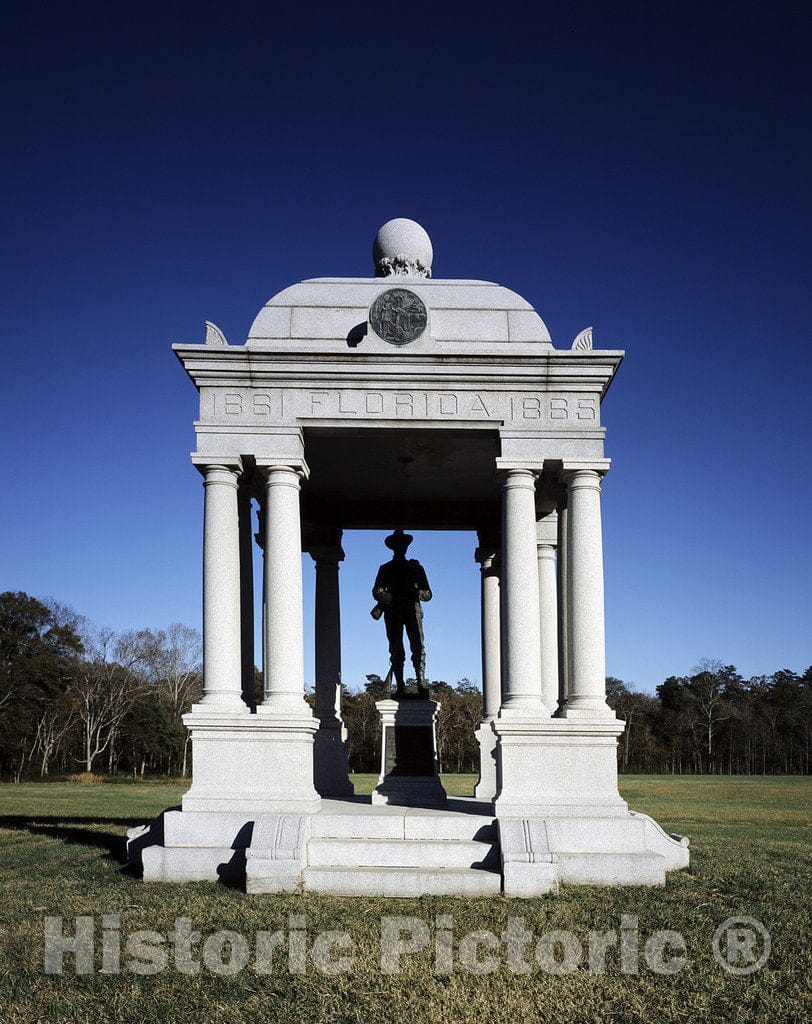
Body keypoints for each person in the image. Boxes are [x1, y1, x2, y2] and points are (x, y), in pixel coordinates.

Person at [371, 529, 432, 698]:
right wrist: (389, 598)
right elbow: (376, 591)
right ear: (393, 548)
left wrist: (416, 593)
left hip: (413, 611)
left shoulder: (416, 568)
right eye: (398, 545)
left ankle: (421, 682)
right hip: (393, 611)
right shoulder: (385, 569)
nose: (401, 548)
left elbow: (428, 594)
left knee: (418, 647)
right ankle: (400, 686)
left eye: (403, 545)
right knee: (396, 650)